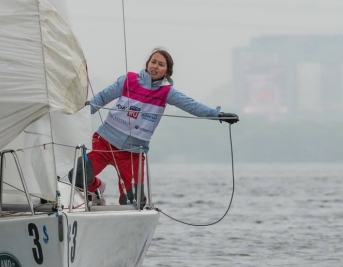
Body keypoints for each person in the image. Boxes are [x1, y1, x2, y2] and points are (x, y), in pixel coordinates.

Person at [81, 48, 238, 206]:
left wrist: (218, 115)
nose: (155, 66)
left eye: (161, 64)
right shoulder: (128, 80)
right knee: (79, 176)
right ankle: (96, 189)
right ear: (148, 64)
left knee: (135, 202)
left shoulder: (167, 92)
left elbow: (193, 106)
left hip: (132, 153)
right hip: (104, 143)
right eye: (153, 62)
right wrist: (80, 114)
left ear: (167, 71)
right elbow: (101, 98)